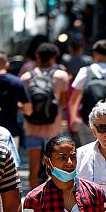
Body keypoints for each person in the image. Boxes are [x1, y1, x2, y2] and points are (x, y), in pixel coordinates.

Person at [21, 42, 70, 189]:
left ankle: (33, 201)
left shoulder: (26, 77)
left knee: (33, 169)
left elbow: (23, 104)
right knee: (56, 167)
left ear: (37, 56)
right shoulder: (61, 75)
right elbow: (63, 102)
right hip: (53, 128)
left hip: (32, 127)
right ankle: (55, 199)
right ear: (54, 56)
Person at [69, 40, 106, 146]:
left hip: (88, 120)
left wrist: (73, 119)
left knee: (88, 153)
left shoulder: (85, 71)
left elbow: (74, 98)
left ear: (95, 54)